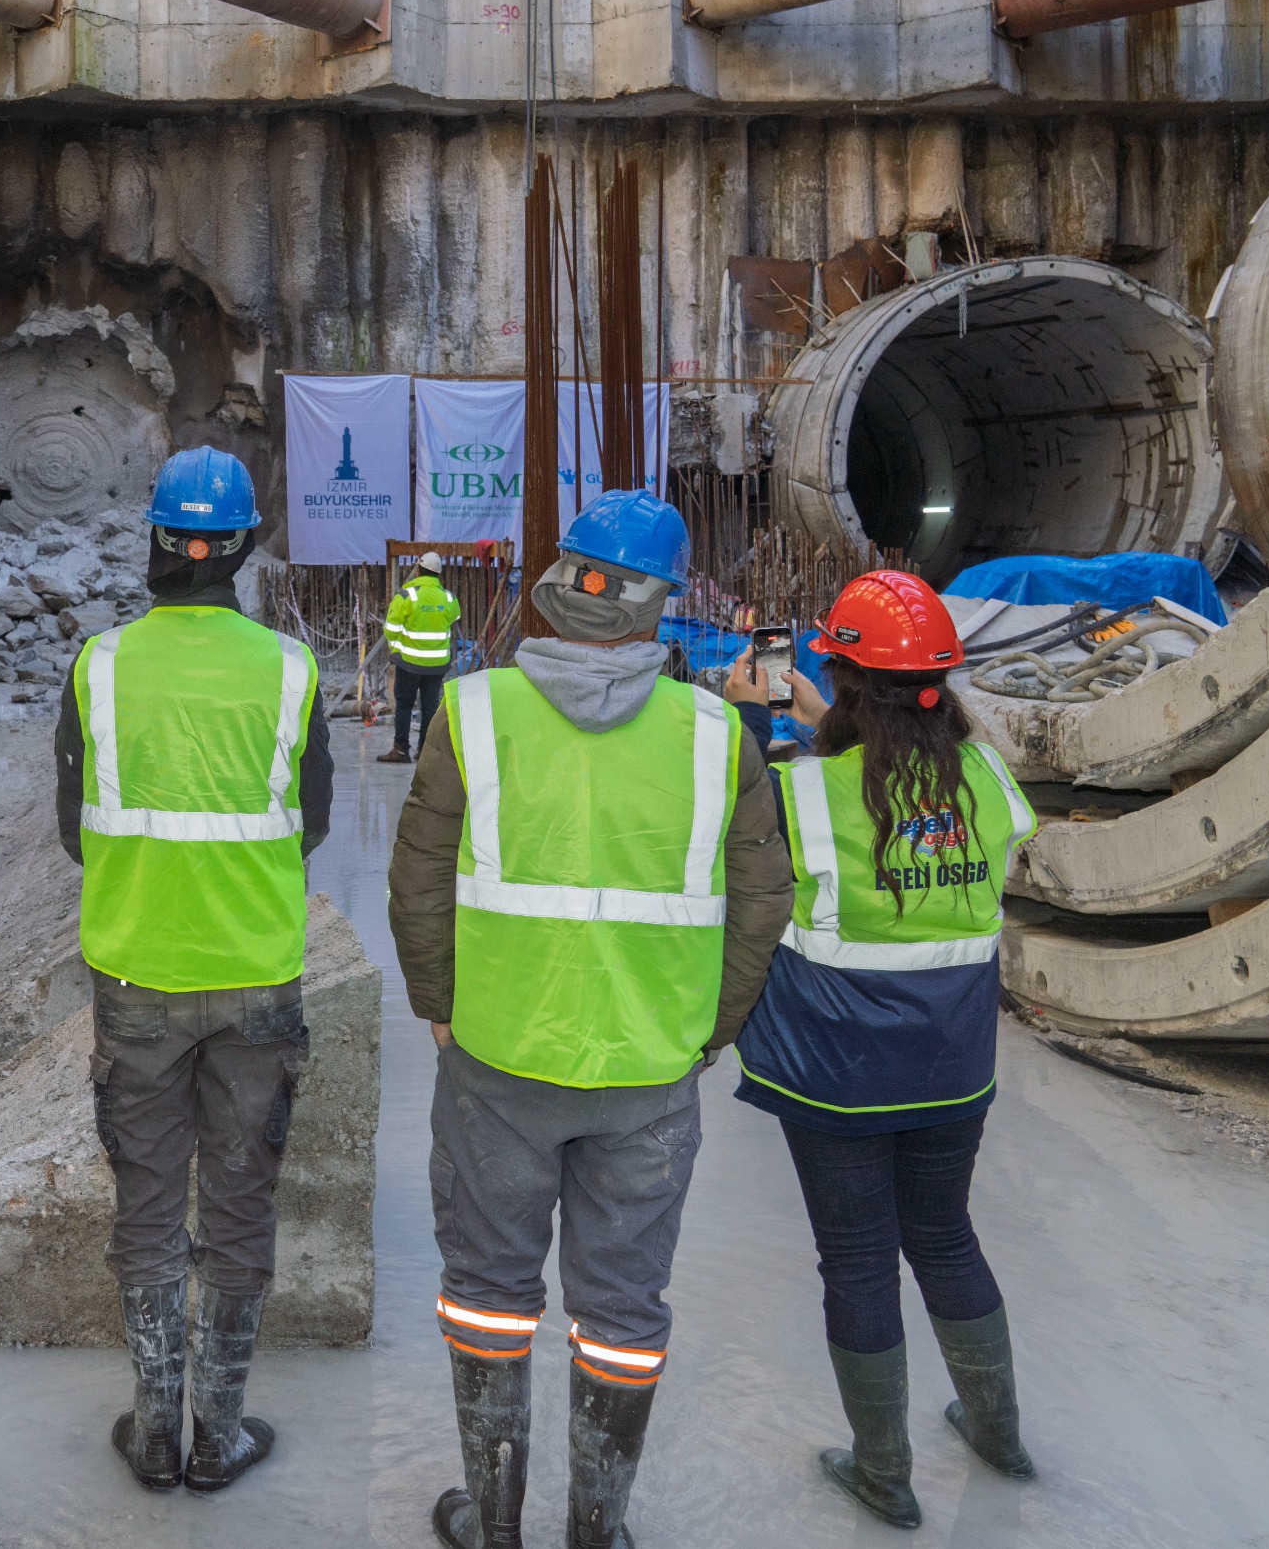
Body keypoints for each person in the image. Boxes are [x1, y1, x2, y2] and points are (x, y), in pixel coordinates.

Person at [389, 489, 794, 1549]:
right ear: (660, 605)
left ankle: (497, 1519)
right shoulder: (716, 736)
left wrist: (440, 1006)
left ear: (560, 583)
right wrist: (709, 1028)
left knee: (488, 1291)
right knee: (620, 1309)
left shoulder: (473, 711)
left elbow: (417, 877)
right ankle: (593, 1527)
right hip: (649, 1072)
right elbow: (764, 898)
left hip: (496, 1057)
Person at [721, 570, 1040, 1528]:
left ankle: (884, 1472)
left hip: (836, 1071)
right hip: (955, 1063)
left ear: (844, 679)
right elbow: (939, 782)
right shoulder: (987, 779)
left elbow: (731, 842)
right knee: (945, 1236)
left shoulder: (800, 791)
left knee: (857, 1262)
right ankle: (999, 1433)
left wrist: (756, 720)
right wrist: (846, 714)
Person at [54, 445, 334, 1494]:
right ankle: (218, 1428)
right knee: (238, 1202)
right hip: (257, 978)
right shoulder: (293, 668)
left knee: (146, 1202)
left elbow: (74, 831)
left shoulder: (100, 664)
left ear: (159, 543)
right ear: (242, 547)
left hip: (135, 976)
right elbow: (308, 824)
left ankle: (154, 1427)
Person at [380, 550, 461, 764]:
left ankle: (400, 750)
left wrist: (397, 648)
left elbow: (390, 629)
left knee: (404, 705)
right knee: (429, 707)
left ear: (418, 571)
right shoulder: (448, 598)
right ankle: (425, 752)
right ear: (438, 574)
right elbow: (455, 616)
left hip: (408, 663)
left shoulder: (407, 596)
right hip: (437, 665)